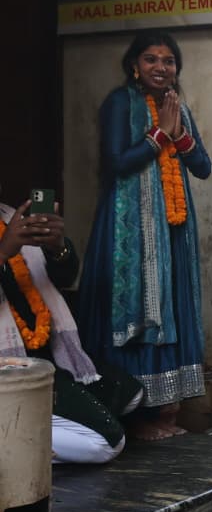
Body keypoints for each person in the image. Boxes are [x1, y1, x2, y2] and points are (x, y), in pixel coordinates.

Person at [78, 30, 212, 439]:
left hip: (171, 234)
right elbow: (119, 162)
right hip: (129, 237)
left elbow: (203, 166)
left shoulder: (179, 110)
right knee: (137, 313)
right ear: (134, 65)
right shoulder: (121, 103)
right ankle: (131, 417)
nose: (160, 67)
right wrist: (160, 135)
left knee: (170, 312)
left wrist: (178, 131)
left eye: (168, 61)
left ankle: (165, 414)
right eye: (151, 59)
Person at [1, 197, 143, 463]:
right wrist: (3, 252)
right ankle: (11, 444)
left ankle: (26, 427)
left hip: (44, 357)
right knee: (106, 443)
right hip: (7, 369)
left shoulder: (9, 217)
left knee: (131, 395)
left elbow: (63, 279)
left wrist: (57, 248)